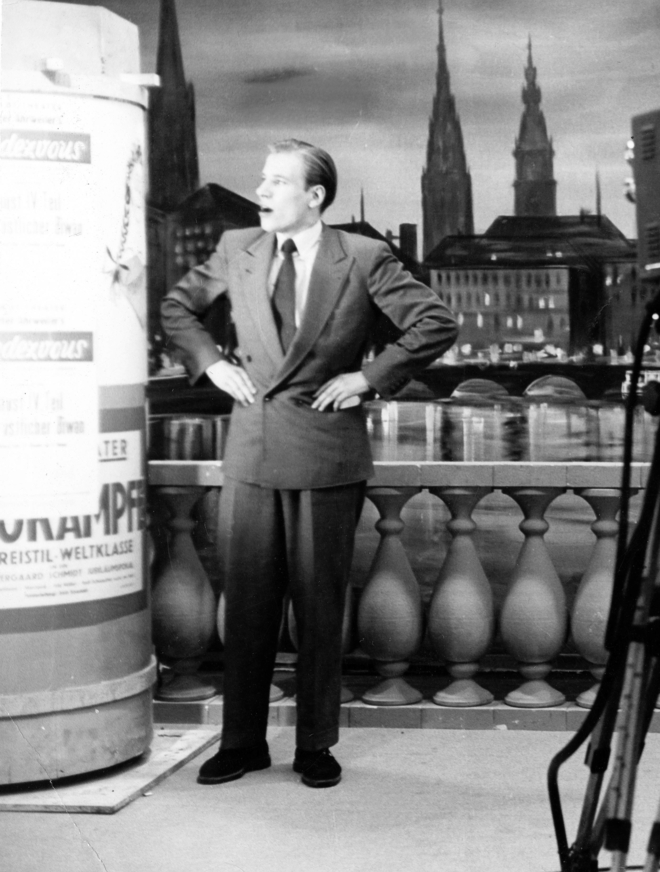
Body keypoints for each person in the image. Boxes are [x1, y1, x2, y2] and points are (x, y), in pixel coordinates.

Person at [162, 139, 458, 788]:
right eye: (262, 181)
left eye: (276, 182)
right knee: (246, 607)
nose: (262, 192)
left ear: (315, 196)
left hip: (327, 448)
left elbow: (434, 323)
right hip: (251, 449)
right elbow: (178, 308)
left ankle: (316, 746)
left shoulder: (365, 256)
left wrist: (369, 379)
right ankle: (241, 743)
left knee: (320, 608)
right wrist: (211, 364)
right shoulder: (236, 247)